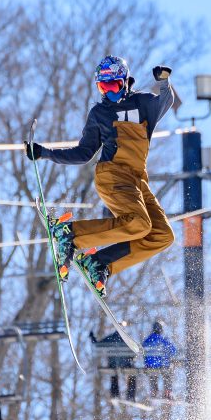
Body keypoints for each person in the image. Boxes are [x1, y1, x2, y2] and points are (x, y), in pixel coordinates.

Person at [25, 56, 178, 294]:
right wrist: (45, 152)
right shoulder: (100, 113)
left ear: (125, 82)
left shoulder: (144, 103)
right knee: (139, 223)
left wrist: (164, 81)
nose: (109, 93)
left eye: (113, 86)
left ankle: (100, 262)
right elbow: (84, 152)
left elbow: (166, 101)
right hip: (113, 176)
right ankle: (71, 234)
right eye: (103, 87)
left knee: (162, 235)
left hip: (138, 180)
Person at [91, 330, 138, 400]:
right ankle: (130, 396)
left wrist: (92, 337)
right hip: (125, 364)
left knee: (114, 375)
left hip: (113, 364)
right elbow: (134, 353)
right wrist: (132, 358)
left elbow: (97, 345)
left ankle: (115, 394)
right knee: (132, 375)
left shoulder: (110, 338)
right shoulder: (126, 339)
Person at [141, 321, 178, 399]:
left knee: (153, 374)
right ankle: (167, 393)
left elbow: (142, 351)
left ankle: (154, 392)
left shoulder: (147, 340)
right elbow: (173, 351)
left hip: (151, 365)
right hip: (162, 365)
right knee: (167, 374)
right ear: (161, 330)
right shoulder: (163, 340)